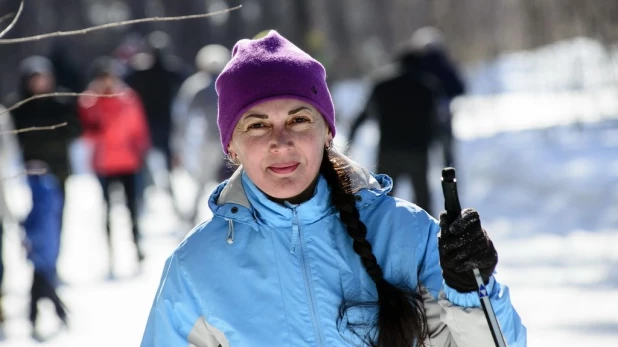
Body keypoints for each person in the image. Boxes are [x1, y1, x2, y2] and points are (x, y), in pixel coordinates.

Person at [141, 31, 526, 346]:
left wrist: (470, 290)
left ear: (327, 132)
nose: (281, 141)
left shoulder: (406, 235)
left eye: (299, 119)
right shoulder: (196, 268)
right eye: (256, 125)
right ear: (231, 146)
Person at [78, 57, 151, 276]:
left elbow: (139, 128)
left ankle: (136, 247)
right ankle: (110, 253)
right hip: (104, 164)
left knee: (132, 208)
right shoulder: (88, 102)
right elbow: (86, 133)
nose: (107, 83)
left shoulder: (128, 98)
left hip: (128, 161)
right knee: (107, 210)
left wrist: (142, 152)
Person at [348, 50, 440, 215]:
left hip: (389, 151)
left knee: (382, 201)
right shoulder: (427, 87)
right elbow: (437, 123)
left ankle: (377, 237)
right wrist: (439, 146)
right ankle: (431, 236)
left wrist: (351, 138)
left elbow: (364, 114)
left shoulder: (382, 86)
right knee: (423, 199)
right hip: (417, 152)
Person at [171, 43, 231, 224]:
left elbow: (180, 116)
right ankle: (196, 215)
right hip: (212, 141)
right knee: (205, 179)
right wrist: (179, 143)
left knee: (225, 180)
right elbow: (182, 116)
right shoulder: (198, 85)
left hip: (224, 140)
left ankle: (229, 214)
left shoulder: (228, 83)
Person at [22, 161, 68, 341]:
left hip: (43, 249)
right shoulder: (45, 191)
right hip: (46, 247)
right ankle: (55, 316)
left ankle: (39, 319)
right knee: (41, 286)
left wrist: (30, 238)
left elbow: (42, 225)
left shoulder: (43, 193)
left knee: (41, 287)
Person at [411, 26, 466, 168]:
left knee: (423, 151)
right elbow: (459, 87)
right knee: (447, 150)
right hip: (443, 113)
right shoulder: (445, 64)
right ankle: (450, 178)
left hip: (423, 116)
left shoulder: (417, 66)